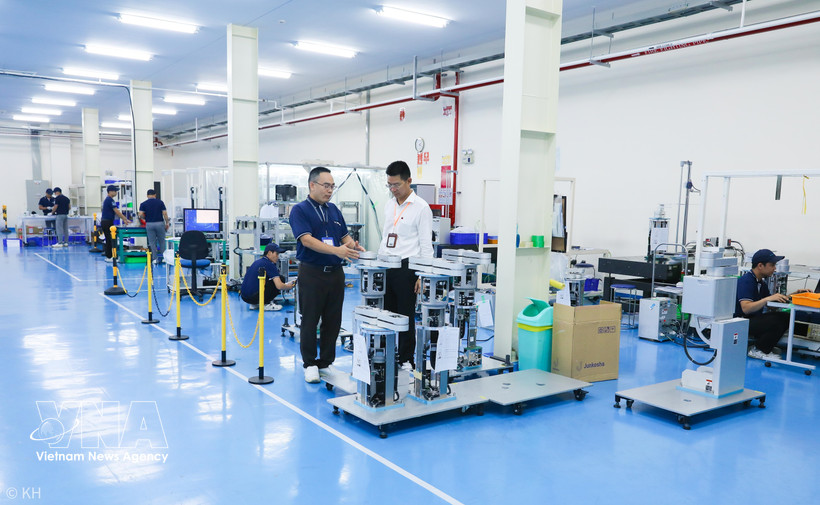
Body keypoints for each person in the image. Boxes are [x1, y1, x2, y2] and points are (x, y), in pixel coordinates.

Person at [289, 166, 363, 383]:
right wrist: (337, 251)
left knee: (333, 320)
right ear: (312, 185)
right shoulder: (300, 210)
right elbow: (306, 240)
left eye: (332, 186)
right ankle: (310, 364)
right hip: (312, 273)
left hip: (335, 274)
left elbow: (345, 237)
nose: (330, 190)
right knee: (310, 320)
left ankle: (326, 362)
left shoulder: (334, 210)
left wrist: (355, 247)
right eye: (326, 186)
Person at [377, 160, 434, 368]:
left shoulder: (421, 208)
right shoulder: (389, 204)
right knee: (386, 314)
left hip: (407, 268)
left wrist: (423, 275)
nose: (393, 189)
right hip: (386, 265)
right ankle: (387, 355)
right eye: (389, 185)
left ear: (409, 181)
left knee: (405, 315)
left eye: (396, 185)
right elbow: (386, 236)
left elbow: (426, 245)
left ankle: (406, 358)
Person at [735, 248, 810, 360]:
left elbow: (771, 305)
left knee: (785, 317)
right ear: (760, 266)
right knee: (776, 320)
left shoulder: (761, 283)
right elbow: (746, 308)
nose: (775, 268)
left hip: (752, 319)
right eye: (772, 265)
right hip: (740, 322)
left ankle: (763, 346)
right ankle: (759, 349)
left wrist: (793, 295)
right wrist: (767, 299)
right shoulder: (746, 281)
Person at [240, 243, 296, 310]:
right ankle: (266, 303)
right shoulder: (269, 264)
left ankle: (255, 304)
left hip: (245, 297)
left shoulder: (257, 262)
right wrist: (290, 286)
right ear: (269, 253)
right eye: (276, 254)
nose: (278, 257)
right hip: (255, 297)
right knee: (281, 279)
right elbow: (279, 286)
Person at [138, 189, 170, 265]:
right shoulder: (160, 202)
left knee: (152, 242)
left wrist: (145, 218)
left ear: (147, 195)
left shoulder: (143, 204)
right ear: (155, 195)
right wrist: (167, 223)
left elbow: (140, 214)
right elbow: (165, 213)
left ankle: (155, 259)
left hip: (149, 224)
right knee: (162, 241)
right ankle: (164, 258)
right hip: (159, 223)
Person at [101, 185, 131, 262]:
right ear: (110, 191)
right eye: (115, 191)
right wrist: (125, 219)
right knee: (109, 239)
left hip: (106, 221)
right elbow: (116, 211)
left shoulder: (108, 200)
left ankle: (110, 256)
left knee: (109, 239)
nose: (116, 192)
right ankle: (109, 257)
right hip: (107, 222)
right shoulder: (110, 200)